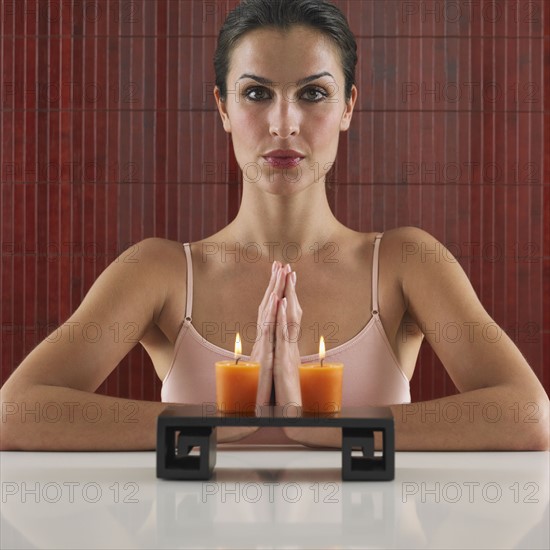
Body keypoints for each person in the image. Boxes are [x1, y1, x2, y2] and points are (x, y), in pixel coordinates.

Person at [1, 0, 548, 451]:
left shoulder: (405, 262)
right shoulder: (160, 270)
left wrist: (323, 423)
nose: (283, 123)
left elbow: (528, 415)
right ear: (221, 107)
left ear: (349, 105)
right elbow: (16, 412)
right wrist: (215, 418)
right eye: (257, 93)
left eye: (313, 94)